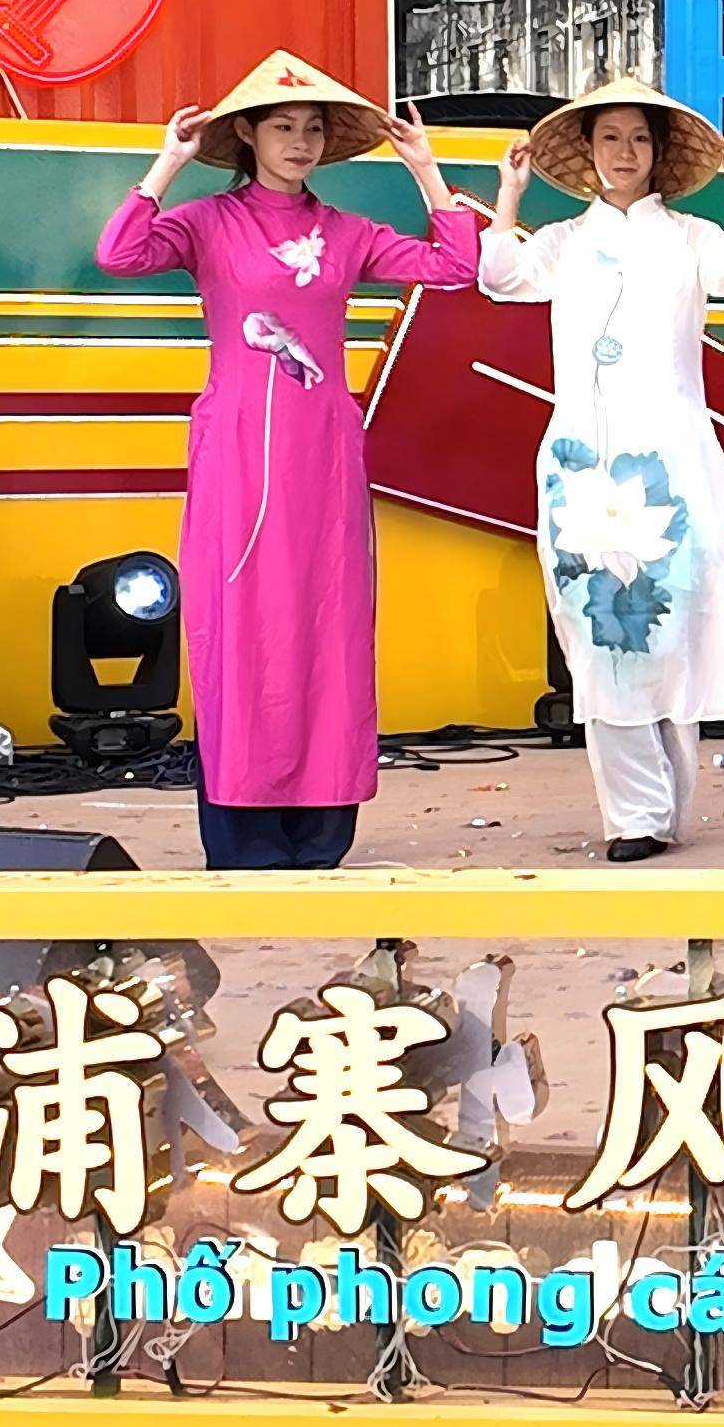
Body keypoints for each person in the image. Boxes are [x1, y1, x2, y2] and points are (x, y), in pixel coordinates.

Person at [95, 50, 479, 871]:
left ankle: (320, 828)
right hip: (237, 447)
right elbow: (119, 253)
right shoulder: (209, 223)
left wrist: (426, 170)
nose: (299, 142)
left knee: (326, 622)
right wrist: (168, 163)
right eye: (282, 127)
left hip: (324, 450)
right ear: (247, 135)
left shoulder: (347, 233)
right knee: (241, 622)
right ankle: (245, 830)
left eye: (312, 129)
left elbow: (454, 267)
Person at [480, 75, 724, 863]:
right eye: (609, 137)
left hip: (669, 460)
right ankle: (632, 815)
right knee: (600, 629)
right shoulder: (561, 242)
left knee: (669, 626)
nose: (624, 152)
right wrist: (508, 197)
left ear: (659, 153)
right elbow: (498, 277)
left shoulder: (690, 236)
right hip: (583, 463)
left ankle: (667, 804)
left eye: (640, 138)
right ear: (588, 150)